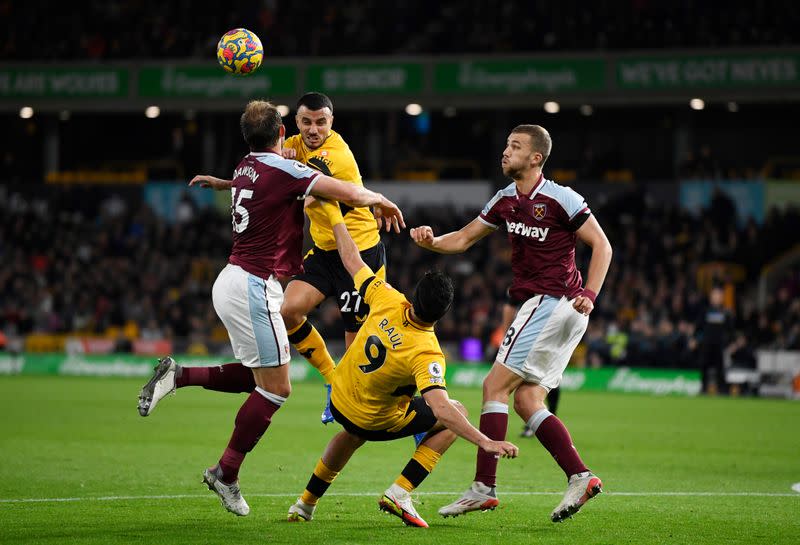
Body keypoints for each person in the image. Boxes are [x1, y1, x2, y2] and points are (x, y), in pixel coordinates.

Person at [136, 100, 404, 517]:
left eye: (321, 122)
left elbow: (274, 177)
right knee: (276, 388)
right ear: (285, 131)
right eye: (303, 123)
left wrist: (224, 183)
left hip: (247, 277)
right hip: (256, 284)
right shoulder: (287, 164)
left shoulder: (249, 163)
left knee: (261, 374)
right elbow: (347, 192)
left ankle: (180, 375)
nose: (312, 129)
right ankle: (226, 472)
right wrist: (382, 198)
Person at [410, 124, 613, 523]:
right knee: (526, 400)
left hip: (555, 303)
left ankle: (484, 488)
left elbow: (602, 244)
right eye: (506, 144)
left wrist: (590, 293)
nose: (506, 151)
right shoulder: (505, 200)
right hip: (558, 310)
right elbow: (465, 238)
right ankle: (580, 476)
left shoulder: (561, 198)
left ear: (536, 158)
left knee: (493, 386)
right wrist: (431, 242)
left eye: (516, 147)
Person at [285, 198, 518, 528]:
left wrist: (335, 214)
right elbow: (441, 409)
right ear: (443, 315)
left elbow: (351, 258)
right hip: (372, 418)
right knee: (458, 411)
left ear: (412, 295)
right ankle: (401, 491)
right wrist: (486, 441)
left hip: (338, 398)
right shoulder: (427, 352)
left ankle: (305, 504)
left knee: (351, 433)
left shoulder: (386, 296)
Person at [695, 285, 734, 395]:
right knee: (704, 367)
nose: (716, 297)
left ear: (722, 297)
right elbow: (698, 327)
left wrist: (730, 344)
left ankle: (722, 390)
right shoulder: (705, 311)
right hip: (706, 344)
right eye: (714, 294)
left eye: (718, 295)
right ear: (711, 297)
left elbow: (731, 330)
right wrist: (696, 339)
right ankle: (703, 389)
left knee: (720, 369)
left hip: (720, 345)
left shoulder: (726, 312)